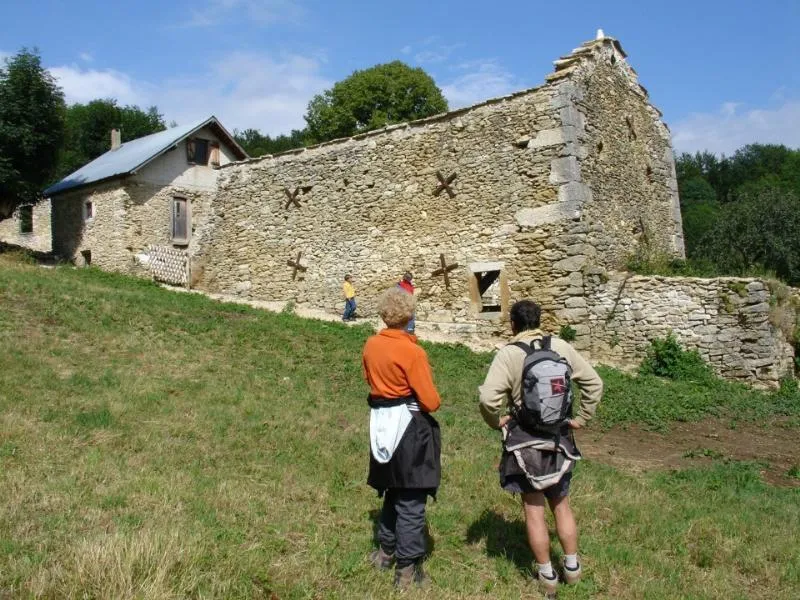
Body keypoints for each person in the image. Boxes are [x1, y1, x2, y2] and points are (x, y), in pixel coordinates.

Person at [478, 300, 603, 597]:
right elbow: (594, 384)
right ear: (539, 320)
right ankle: (572, 568)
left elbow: (487, 399)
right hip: (560, 439)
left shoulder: (509, 354)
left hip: (526, 441)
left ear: (513, 324)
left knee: (533, 510)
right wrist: (581, 419)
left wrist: (496, 422)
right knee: (561, 504)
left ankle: (547, 575)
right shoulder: (561, 347)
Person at [362, 287, 441, 589]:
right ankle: (407, 570)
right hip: (408, 429)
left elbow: (369, 379)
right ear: (408, 314)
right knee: (410, 497)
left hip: (381, 423)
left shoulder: (371, 344)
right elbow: (431, 401)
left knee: (393, 492)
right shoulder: (412, 351)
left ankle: (385, 553)